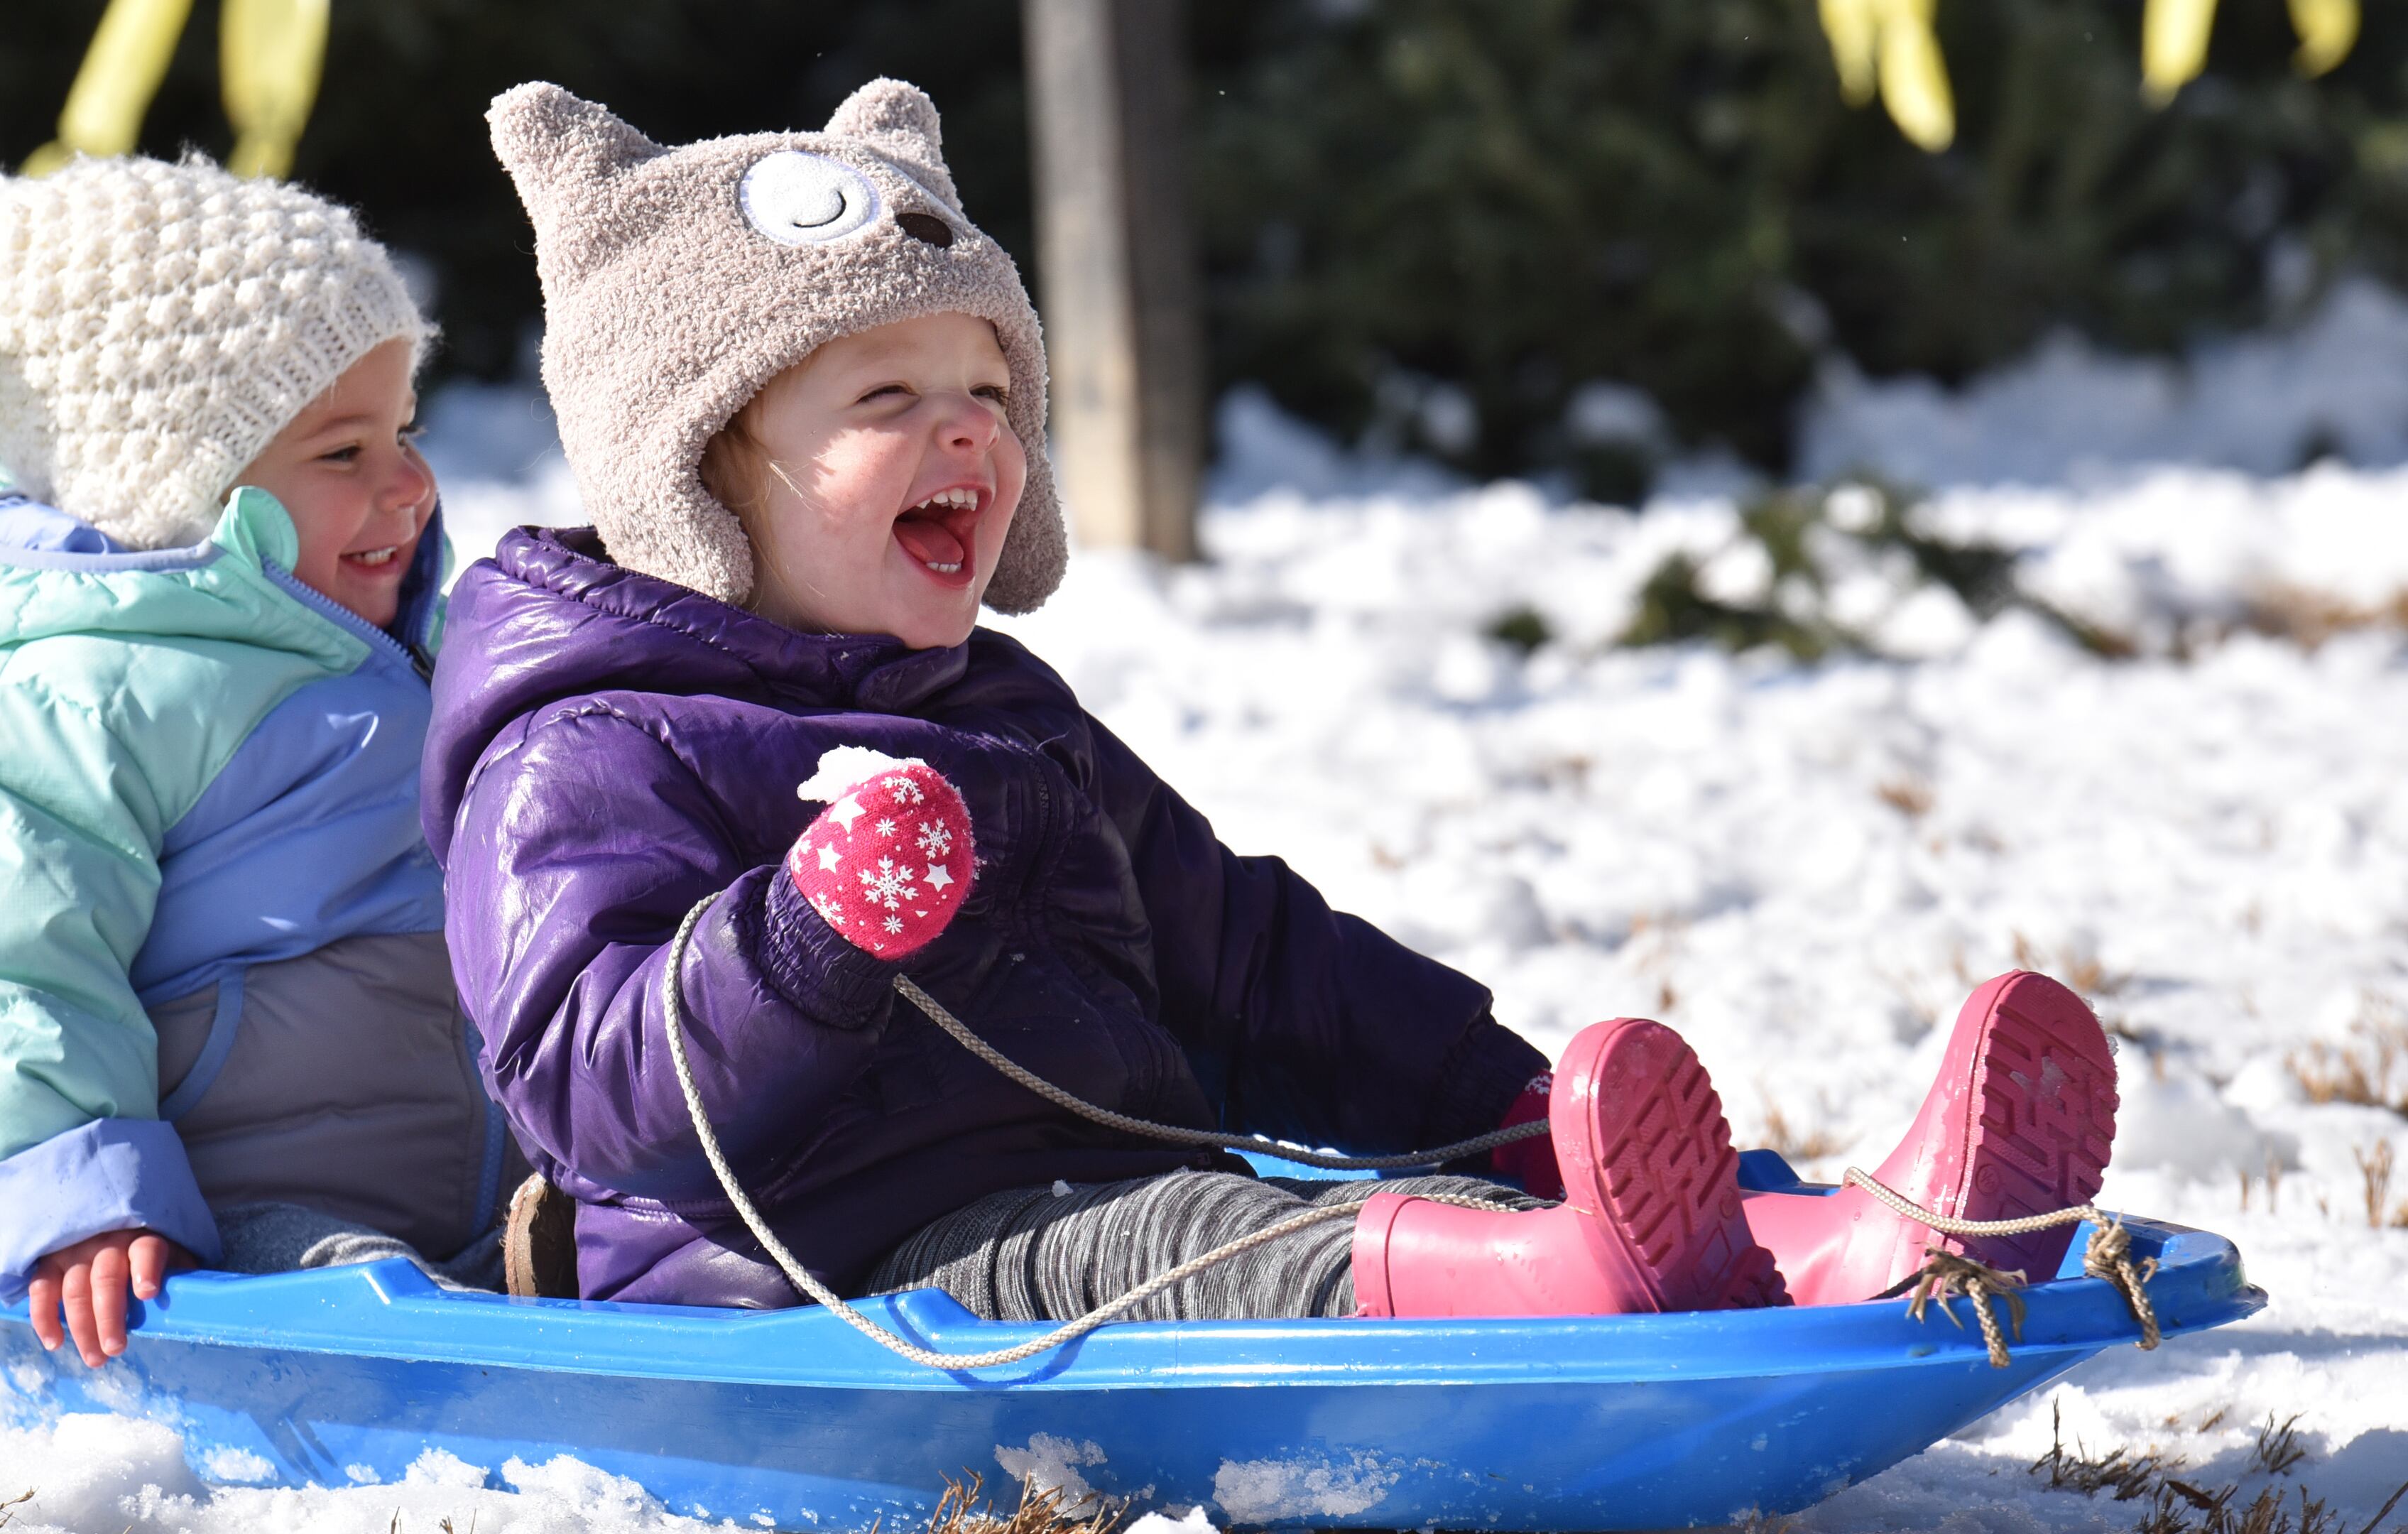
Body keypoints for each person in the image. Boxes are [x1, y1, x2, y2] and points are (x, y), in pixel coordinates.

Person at [421, 81, 2118, 1321]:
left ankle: (1849, 1242)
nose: (969, 437)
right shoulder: (593, 744)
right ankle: (1594, 1280)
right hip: (834, 1279)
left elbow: (1244, 954)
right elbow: (589, 1086)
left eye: (990, 392)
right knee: (1213, 1254)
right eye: (887, 396)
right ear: (694, 479)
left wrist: (1500, 1101)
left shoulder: (1005, 717)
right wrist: (802, 939)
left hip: (1107, 1193)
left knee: (1339, 1209)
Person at [0, 156, 518, 1367]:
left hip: (472, 1175)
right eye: (343, 453)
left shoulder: (390, 641)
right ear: (181, 485)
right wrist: (73, 1191)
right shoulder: (54, 689)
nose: (409, 485)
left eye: (403, 430)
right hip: (229, 1222)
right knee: (339, 1279)